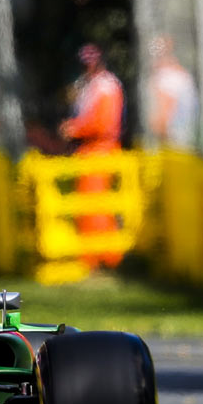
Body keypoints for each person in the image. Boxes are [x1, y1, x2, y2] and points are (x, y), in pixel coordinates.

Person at [59, 43, 123, 267]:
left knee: (97, 205)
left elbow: (104, 124)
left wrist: (76, 128)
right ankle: (91, 256)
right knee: (88, 205)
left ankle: (105, 257)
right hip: (87, 150)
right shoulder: (89, 85)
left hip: (100, 149)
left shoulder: (106, 86)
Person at [148, 35, 197, 149]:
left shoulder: (167, 77)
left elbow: (162, 120)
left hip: (172, 144)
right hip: (186, 140)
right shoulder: (182, 75)